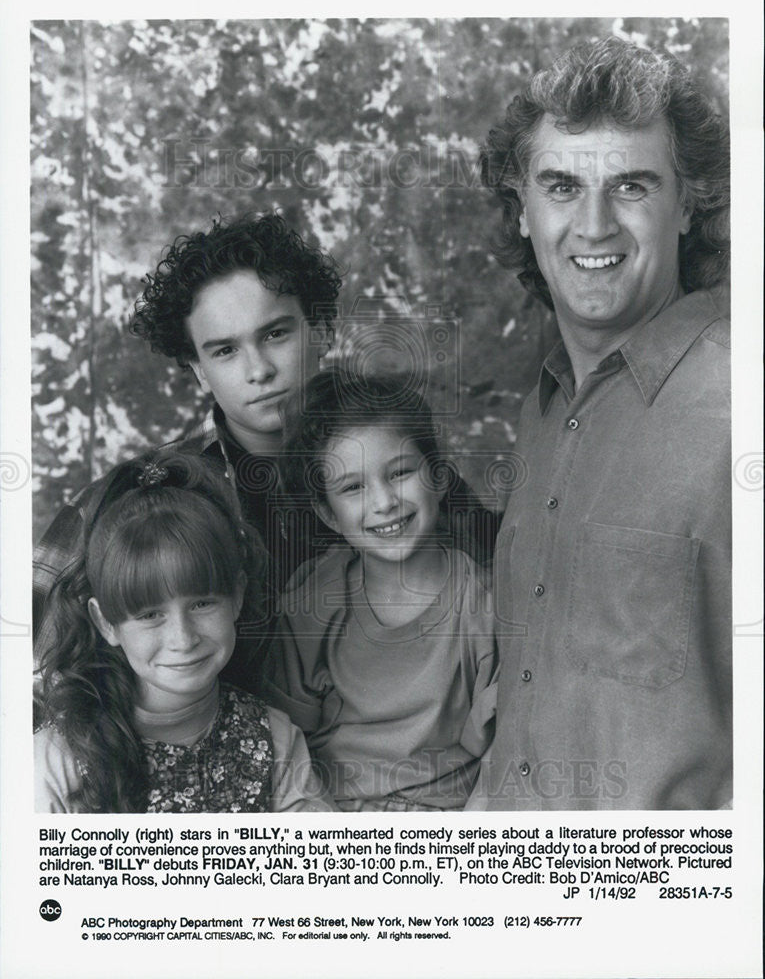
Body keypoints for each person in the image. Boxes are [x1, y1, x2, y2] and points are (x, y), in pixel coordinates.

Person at [471, 37, 731, 810]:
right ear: (521, 210)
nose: (592, 226)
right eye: (559, 186)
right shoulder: (543, 409)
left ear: (688, 203)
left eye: (630, 187)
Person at [34, 212, 342, 678]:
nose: (258, 369)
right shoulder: (128, 502)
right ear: (198, 368)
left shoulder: (396, 468)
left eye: (276, 334)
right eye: (225, 350)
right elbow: (32, 683)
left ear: (320, 331)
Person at [34, 450, 334, 813]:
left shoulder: (276, 741)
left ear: (237, 596)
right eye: (149, 614)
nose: (183, 638)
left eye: (202, 604)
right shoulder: (55, 762)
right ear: (106, 623)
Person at [265, 369, 498, 811]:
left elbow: (496, 750)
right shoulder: (314, 603)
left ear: (440, 476)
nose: (384, 501)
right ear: (329, 515)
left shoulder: (483, 605)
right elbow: (282, 743)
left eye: (401, 472)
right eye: (353, 488)